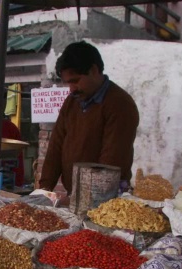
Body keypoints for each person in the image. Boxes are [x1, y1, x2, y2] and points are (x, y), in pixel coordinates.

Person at [38, 41, 139, 195]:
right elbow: (56, 146)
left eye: (75, 81)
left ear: (94, 70)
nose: (71, 89)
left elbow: (111, 163)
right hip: (76, 194)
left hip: (108, 197)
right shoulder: (72, 102)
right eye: (67, 83)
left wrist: (78, 199)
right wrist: (44, 190)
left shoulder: (120, 104)